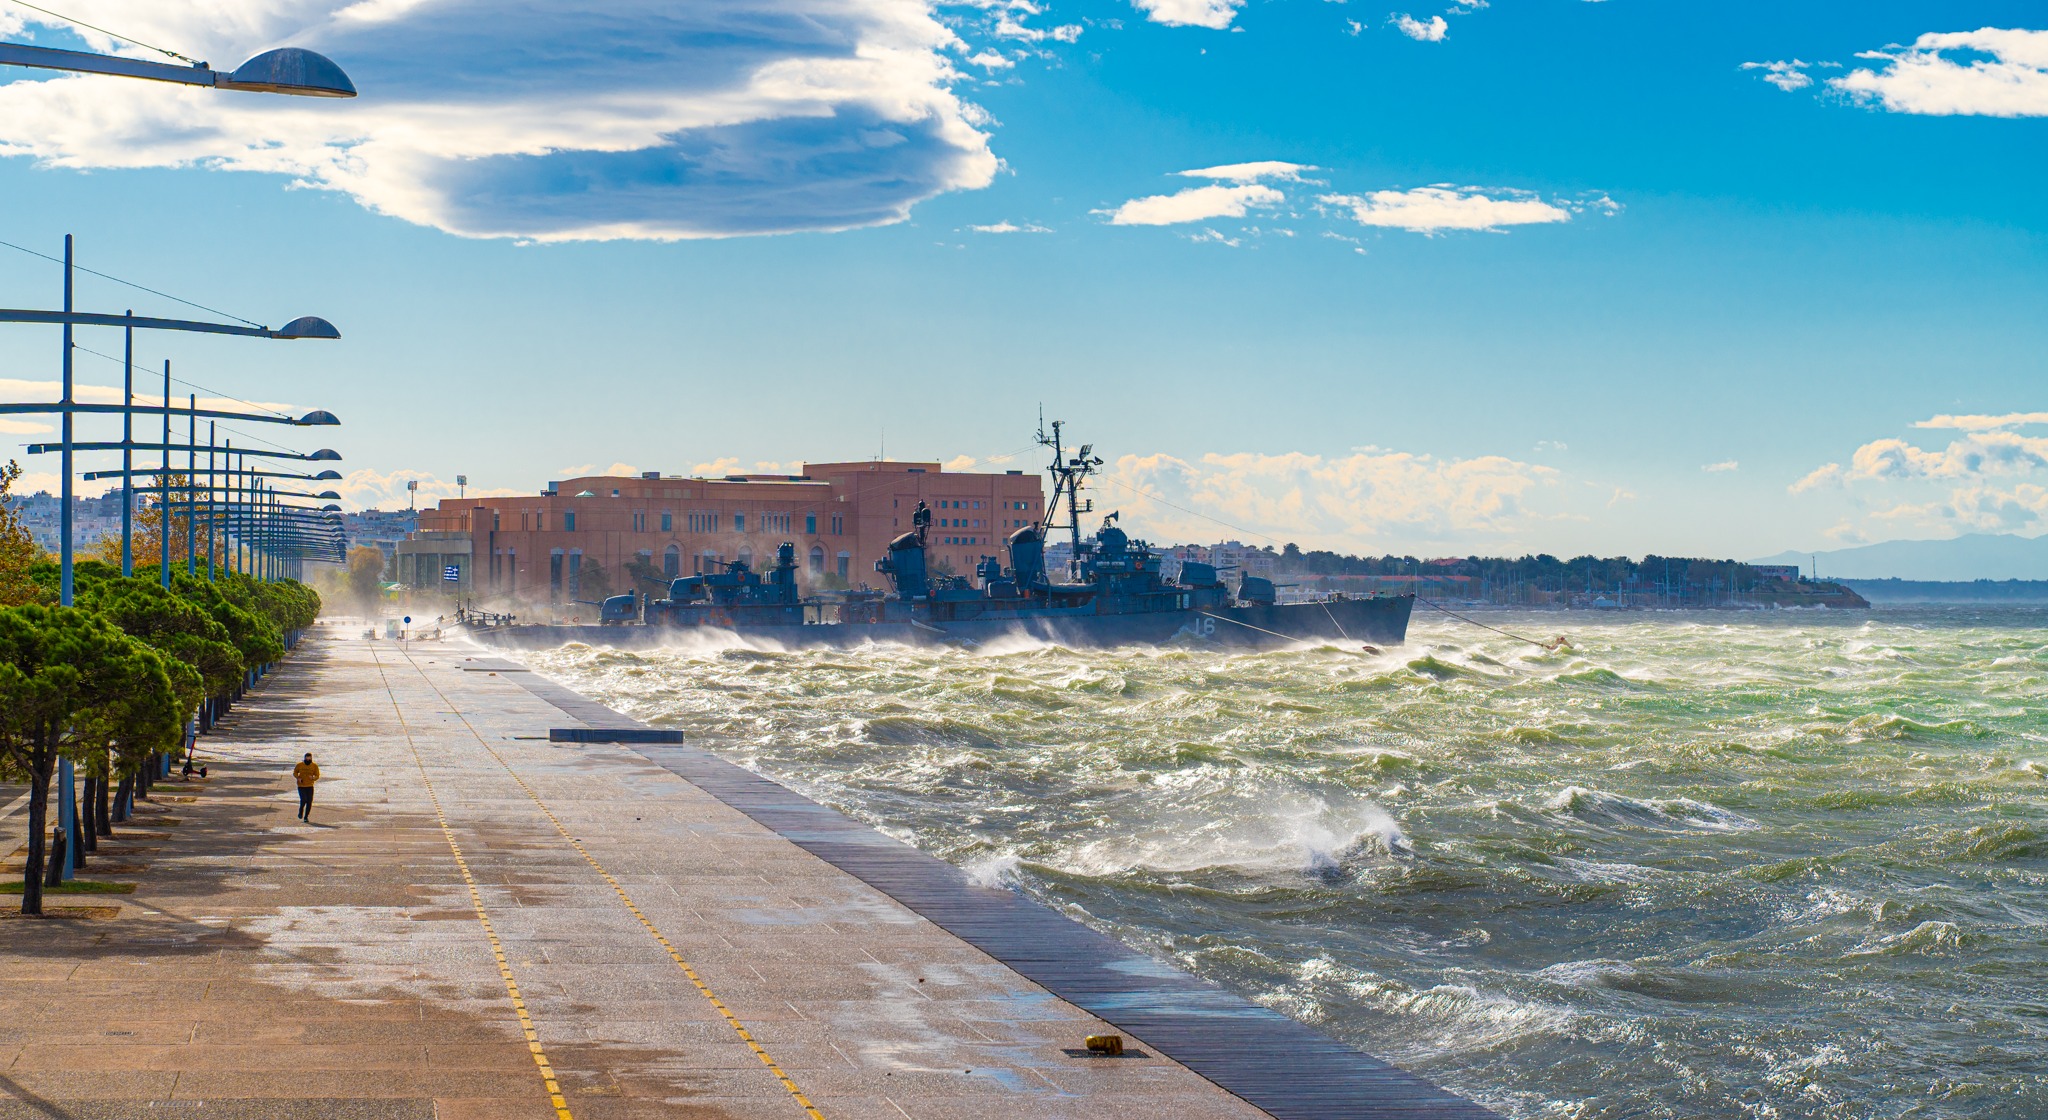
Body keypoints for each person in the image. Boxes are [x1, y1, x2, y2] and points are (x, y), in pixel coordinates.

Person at [292, 753, 320, 821]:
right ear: (304, 758)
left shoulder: (314, 766)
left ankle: (306, 816)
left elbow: (317, 775)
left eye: (309, 758)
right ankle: (300, 811)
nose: (308, 760)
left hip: (310, 786)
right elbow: (295, 772)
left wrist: (313, 778)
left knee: (309, 801)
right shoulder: (299, 765)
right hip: (301, 786)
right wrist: (298, 778)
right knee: (303, 799)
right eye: (307, 758)